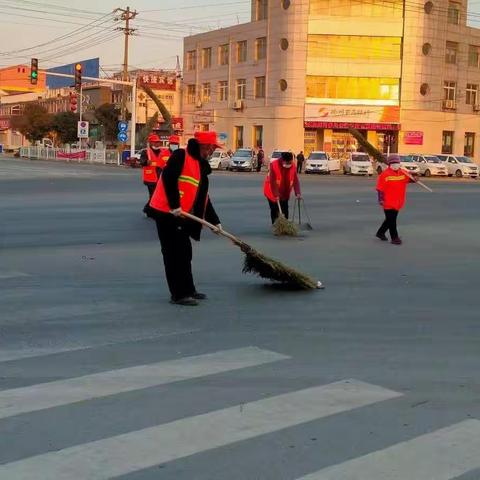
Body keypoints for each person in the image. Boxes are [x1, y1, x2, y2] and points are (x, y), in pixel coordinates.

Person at [149, 131, 222, 306]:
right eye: (212, 147)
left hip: (182, 215)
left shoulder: (200, 164)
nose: (213, 151)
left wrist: (215, 221)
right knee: (173, 254)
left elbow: (203, 198)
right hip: (166, 212)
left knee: (185, 252)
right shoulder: (181, 155)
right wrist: (174, 205)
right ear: (204, 146)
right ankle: (178, 294)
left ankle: (189, 289)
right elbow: (168, 178)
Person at [376, 155, 417, 245]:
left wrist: (414, 179)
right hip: (388, 201)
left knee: (390, 219)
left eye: (397, 163)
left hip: (398, 201)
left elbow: (409, 179)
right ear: (390, 164)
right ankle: (395, 238)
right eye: (394, 163)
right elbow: (380, 188)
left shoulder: (402, 172)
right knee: (392, 220)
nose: (396, 165)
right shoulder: (385, 174)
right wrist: (380, 199)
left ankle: (380, 233)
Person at [263, 151, 301, 224]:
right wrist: (276, 194)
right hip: (271, 191)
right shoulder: (274, 165)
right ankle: (275, 225)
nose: (289, 165)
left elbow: (295, 180)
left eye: (290, 163)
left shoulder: (292, 166)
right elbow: (272, 181)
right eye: (287, 163)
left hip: (284, 192)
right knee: (275, 209)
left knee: (285, 209)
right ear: (283, 160)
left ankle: (285, 225)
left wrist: (298, 192)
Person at [140, 134, 171, 217]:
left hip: (160, 177)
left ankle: (148, 210)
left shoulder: (162, 152)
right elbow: (142, 162)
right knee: (153, 195)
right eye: (155, 142)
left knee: (156, 195)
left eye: (158, 142)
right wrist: (146, 162)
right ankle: (149, 211)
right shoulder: (146, 152)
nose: (157, 144)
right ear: (150, 143)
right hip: (150, 178)